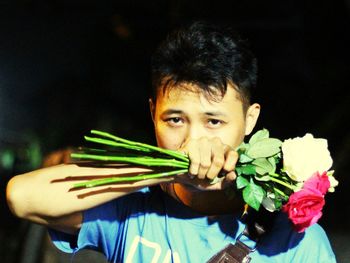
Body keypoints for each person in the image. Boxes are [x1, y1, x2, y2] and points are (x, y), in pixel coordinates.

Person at [6, 21, 336, 262]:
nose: (194, 141)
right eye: (175, 120)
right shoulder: (130, 208)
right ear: (153, 114)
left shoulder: (295, 240)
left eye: (214, 121)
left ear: (250, 120)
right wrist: (166, 171)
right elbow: (22, 196)